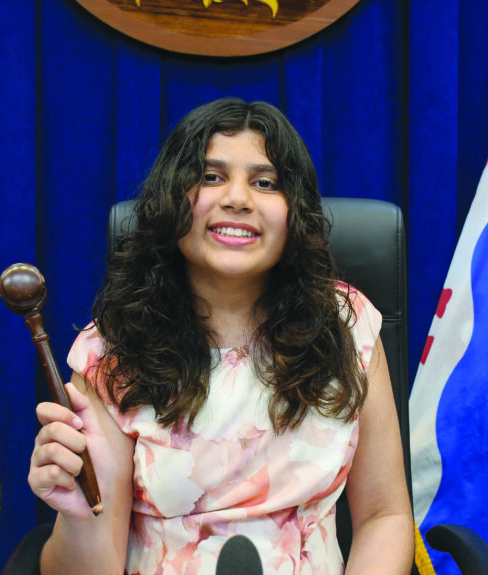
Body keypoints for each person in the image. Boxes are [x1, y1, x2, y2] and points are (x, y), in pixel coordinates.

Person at [28, 97, 414, 574]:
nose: (237, 198)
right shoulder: (113, 348)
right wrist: (78, 516)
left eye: (265, 182)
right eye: (211, 177)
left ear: (296, 212)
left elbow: (384, 516)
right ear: (172, 199)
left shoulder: (347, 323)